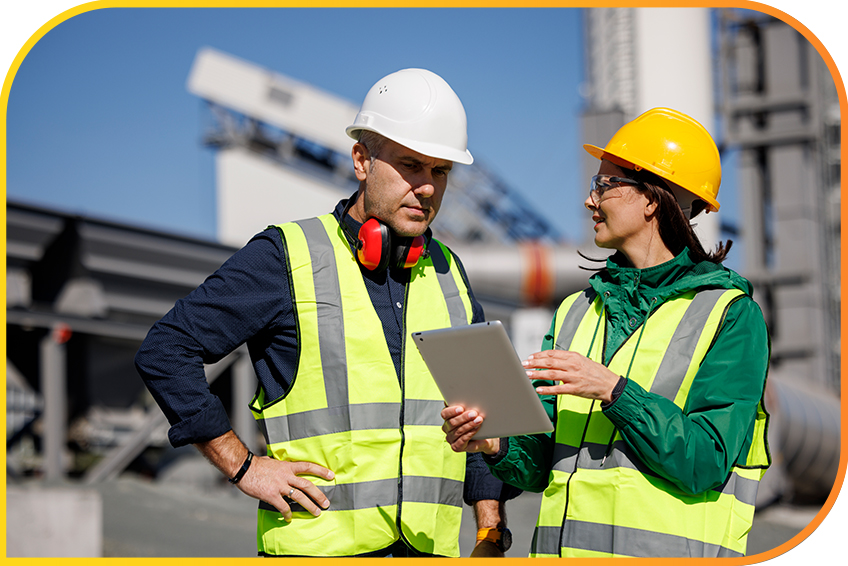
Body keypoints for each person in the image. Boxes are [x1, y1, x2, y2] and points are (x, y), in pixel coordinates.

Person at [136, 68, 519, 558]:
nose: (426, 187)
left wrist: (490, 532)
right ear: (362, 159)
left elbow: (483, 415)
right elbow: (166, 350)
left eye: (440, 171)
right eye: (410, 165)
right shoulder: (286, 257)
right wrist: (244, 466)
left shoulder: (449, 275)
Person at [442, 107, 771, 558]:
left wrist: (615, 391)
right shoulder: (575, 312)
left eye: (603, 185)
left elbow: (706, 461)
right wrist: (496, 444)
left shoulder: (731, 316)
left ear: (653, 199)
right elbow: (540, 466)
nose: (588, 200)